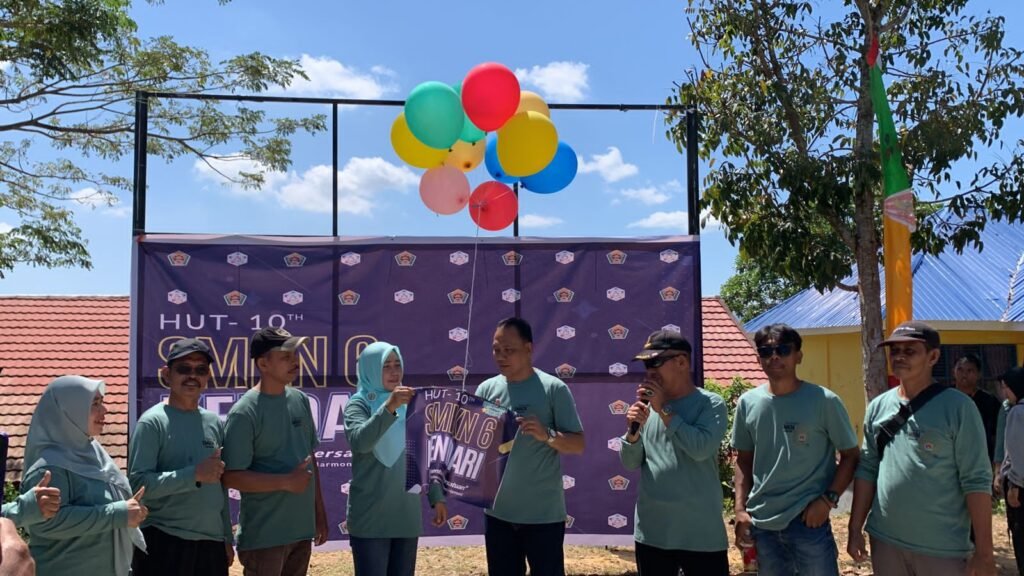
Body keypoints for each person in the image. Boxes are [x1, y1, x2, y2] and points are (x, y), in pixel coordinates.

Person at [849, 321, 995, 576]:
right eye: (895, 351)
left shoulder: (959, 408)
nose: (900, 357)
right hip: (885, 542)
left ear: (933, 357)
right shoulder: (878, 407)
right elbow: (868, 469)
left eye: (910, 351)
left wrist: (984, 553)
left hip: (942, 550)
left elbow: (976, 481)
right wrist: (854, 529)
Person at [731, 323, 860, 576]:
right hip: (762, 525)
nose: (775, 356)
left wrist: (828, 500)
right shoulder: (748, 403)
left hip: (808, 523)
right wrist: (739, 510)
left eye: (783, 349)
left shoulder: (824, 401)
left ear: (798, 355)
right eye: (767, 352)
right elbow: (743, 460)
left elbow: (851, 456)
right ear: (759, 359)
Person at [474, 317, 585, 576]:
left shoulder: (554, 389)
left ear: (529, 349)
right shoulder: (485, 389)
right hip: (498, 514)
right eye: (496, 350)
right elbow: (472, 447)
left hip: (543, 517)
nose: (501, 356)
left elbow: (578, 444)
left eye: (508, 350)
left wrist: (547, 435)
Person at [620, 330, 730, 575]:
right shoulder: (647, 407)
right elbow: (630, 463)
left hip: (701, 536)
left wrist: (665, 412)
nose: (649, 371)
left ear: (682, 362)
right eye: (646, 364)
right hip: (653, 534)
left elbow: (700, 449)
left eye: (655, 362)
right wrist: (632, 434)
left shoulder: (709, 403)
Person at [222, 328, 328, 576]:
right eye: (285, 356)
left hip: (300, 531)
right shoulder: (243, 412)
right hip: (265, 537)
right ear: (262, 363)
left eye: (295, 354)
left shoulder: (300, 400)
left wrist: (319, 514)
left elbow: (310, 459)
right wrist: (285, 482)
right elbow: (231, 477)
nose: (295, 361)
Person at [20, 375, 148, 575]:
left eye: (101, 402)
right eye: (94, 404)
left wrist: (131, 512)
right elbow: (46, 523)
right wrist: (118, 513)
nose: (104, 410)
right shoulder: (48, 467)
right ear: (67, 410)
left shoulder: (94, 453)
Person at [129, 338, 234, 575]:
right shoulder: (152, 422)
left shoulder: (214, 422)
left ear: (207, 377)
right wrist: (193, 474)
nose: (192, 376)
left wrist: (225, 536)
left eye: (200, 370)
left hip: (211, 545)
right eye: (184, 369)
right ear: (167, 375)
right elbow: (138, 485)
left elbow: (220, 486)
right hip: (164, 541)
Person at [343, 341, 447, 576]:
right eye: (385, 366)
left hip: (406, 517)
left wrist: (436, 496)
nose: (393, 371)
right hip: (370, 519)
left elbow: (424, 453)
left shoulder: (411, 403)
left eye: (397, 364)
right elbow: (361, 442)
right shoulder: (358, 404)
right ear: (370, 368)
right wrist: (389, 407)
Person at [998, 366, 1024, 574]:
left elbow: (1017, 452)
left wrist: (1015, 484)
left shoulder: (1017, 412)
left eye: (1005, 388)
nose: (1003, 394)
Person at [953, 354, 1001, 465]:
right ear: (953, 372)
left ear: (979, 374)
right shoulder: (944, 397)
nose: (964, 374)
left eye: (970, 370)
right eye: (960, 369)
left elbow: (996, 434)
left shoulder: (989, 401)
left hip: (981, 458)